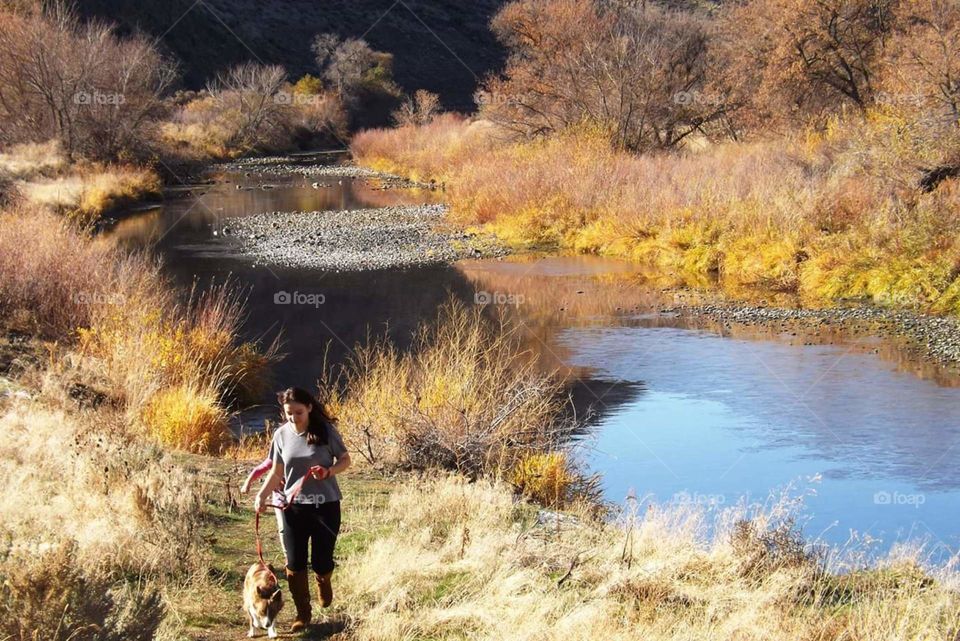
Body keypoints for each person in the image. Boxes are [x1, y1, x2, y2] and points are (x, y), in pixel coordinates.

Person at [255, 387, 351, 632]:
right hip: (292, 508)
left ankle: (323, 579)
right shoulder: (280, 435)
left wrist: (329, 471)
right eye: (289, 413)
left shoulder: (325, 431)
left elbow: (345, 460)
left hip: (325, 506)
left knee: (321, 561)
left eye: (298, 412)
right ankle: (303, 613)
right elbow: (276, 472)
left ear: (309, 408)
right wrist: (262, 495)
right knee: (295, 564)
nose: (294, 418)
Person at [240, 446, 287, 564]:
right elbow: (258, 470)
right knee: (283, 528)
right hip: (279, 502)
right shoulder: (274, 460)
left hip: (298, 500)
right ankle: (288, 555)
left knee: (298, 529)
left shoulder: (297, 460)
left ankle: (299, 553)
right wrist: (247, 483)